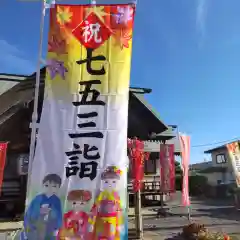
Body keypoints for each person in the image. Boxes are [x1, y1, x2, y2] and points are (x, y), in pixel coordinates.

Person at [89, 166, 124, 240]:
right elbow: (95, 208)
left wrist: (120, 224)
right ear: (102, 182)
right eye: (106, 181)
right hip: (101, 219)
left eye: (114, 181)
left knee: (111, 236)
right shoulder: (101, 194)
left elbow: (119, 210)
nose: (110, 184)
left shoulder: (116, 196)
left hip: (112, 220)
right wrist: (91, 222)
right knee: (100, 236)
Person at [23, 173, 63, 240]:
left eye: (54, 186)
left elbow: (59, 215)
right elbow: (30, 213)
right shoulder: (38, 198)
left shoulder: (57, 200)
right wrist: (39, 211)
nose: (50, 188)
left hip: (50, 226)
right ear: (42, 185)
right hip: (37, 225)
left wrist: (57, 227)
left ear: (58, 187)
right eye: (47, 185)